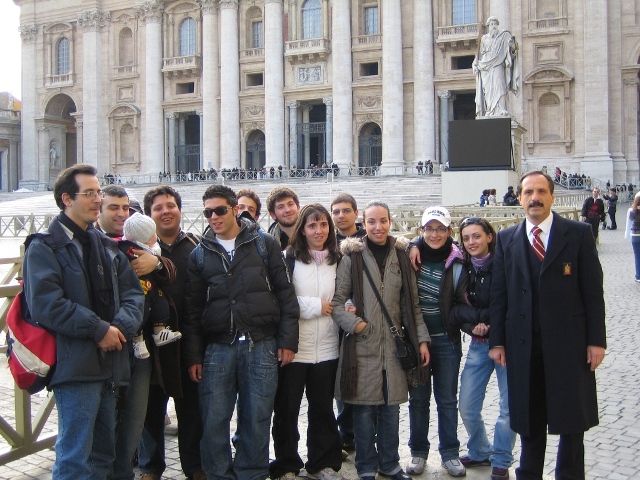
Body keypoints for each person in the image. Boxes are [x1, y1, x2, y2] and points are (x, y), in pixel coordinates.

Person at [23, 164, 144, 479]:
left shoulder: (106, 245)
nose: (97, 199)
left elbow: (133, 294)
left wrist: (118, 328)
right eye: (89, 193)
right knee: (74, 457)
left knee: (104, 455)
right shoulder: (44, 246)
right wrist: (99, 329)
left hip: (111, 363)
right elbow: (46, 304)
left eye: (98, 192)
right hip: (75, 366)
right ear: (67, 198)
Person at [489, 170, 606, 479]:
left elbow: (593, 293)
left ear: (552, 196)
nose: (535, 198)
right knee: (529, 419)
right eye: (528, 192)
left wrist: (596, 341)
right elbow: (499, 295)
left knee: (572, 420)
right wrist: (497, 341)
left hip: (570, 344)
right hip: (524, 345)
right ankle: (529, 474)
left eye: (541, 191)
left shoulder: (578, 234)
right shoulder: (506, 239)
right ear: (520, 198)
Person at [183, 185, 299, 480]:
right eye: (208, 212)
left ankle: (252, 473)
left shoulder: (264, 243)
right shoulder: (199, 254)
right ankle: (218, 474)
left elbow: (286, 293)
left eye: (220, 210)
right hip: (218, 346)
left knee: (257, 417)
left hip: (261, 343)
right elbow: (192, 311)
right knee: (213, 419)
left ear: (235, 209)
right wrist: (194, 356)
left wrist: (287, 340)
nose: (214, 217)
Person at [331, 200, 430, 480]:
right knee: (363, 411)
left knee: (390, 409)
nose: (378, 227)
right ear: (363, 223)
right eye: (372, 221)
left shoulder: (401, 256)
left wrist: (422, 340)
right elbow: (337, 304)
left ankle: (390, 463)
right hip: (363, 344)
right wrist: (357, 325)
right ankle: (365, 466)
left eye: (383, 221)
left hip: (394, 346)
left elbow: (412, 306)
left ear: (390, 222)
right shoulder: (352, 258)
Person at [270, 204, 344, 480]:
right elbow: (280, 299)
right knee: (287, 409)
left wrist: (346, 305)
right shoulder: (287, 258)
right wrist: (316, 306)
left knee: (323, 409)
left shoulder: (339, 259)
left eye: (323, 225)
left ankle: (321, 463)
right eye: (312, 225)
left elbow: (343, 296)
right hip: (294, 347)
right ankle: (287, 463)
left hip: (327, 346)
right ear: (302, 229)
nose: (319, 231)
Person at [139, 186, 206, 480]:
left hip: (188, 340)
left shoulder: (197, 245)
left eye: (171, 205)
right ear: (148, 215)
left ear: (180, 209)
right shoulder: (138, 250)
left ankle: (194, 466)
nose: (166, 211)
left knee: (191, 409)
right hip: (151, 344)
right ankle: (151, 467)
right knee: (150, 409)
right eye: (158, 208)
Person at [450, 217, 516, 480]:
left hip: (507, 344)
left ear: (489, 236)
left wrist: (483, 320)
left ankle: (501, 459)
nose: (471, 242)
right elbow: (455, 308)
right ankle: (480, 450)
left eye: (476, 236)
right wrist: (472, 325)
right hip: (478, 344)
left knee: (508, 408)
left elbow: (509, 304)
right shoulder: (461, 266)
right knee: (467, 404)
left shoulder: (506, 264)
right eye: (466, 238)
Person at [405, 206, 468, 478]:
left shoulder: (458, 260)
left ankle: (450, 453)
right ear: (421, 231)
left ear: (450, 231)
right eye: (429, 229)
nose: (434, 234)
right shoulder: (410, 256)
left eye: (440, 229)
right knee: (418, 400)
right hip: (416, 341)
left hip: (446, 340)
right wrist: (411, 244)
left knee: (447, 400)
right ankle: (418, 451)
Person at [329, 193, 366, 454]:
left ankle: (359, 433)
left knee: (360, 376)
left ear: (356, 213)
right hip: (333, 318)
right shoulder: (326, 241)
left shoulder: (367, 240)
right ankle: (345, 433)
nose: (341, 216)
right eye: (336, 211)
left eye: (346, 210)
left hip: (361, 319)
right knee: (342, 378)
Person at [121, 213, 182, 359]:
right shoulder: (126, 250)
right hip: (137, 292)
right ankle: (138, 340)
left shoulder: (151, 250)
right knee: (140, 311)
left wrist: (157, 262)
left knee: (160, 304)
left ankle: (159, 331)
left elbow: (171, 273)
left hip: (151, 288)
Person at [473, 16, 519, 117]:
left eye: (495, 24)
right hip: (486, 66)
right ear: (488, 26)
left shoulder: (504, 35)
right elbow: (481, 53)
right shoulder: (484, 38)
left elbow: (513, 49)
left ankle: (501, 109)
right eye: (491, 24)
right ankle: (490, 110)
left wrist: (512, 45)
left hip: (498, 64)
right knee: (488, 90)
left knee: (499, 85)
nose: (493, 26)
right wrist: (475, 63)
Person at [626, 191, 640, 282]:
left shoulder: (632, 211)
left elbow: (630, 222)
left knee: (637, 256)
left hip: (635, 234)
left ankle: (638, 276)